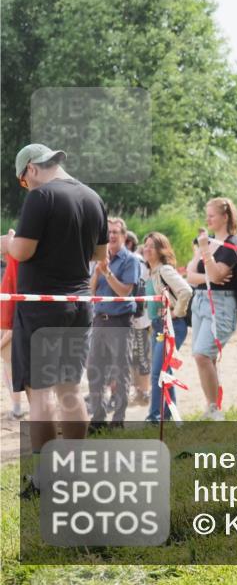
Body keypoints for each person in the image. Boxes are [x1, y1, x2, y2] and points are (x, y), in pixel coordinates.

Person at [4, 144, 107, 477]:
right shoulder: (93, 197)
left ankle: (45, 474)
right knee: (70, 388)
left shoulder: (41, 196)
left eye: (23, 181)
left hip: (42, 307)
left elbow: (22, 250)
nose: (26, 187)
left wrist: (7, 243)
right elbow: (99, 255)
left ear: (32, 169)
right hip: (80, 304)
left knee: (40, 392)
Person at [186, 198, 237, 420]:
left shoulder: (233, 243)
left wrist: (205, 253)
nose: (207, 219)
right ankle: (212, 407)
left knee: (202, 354)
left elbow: (219, 275)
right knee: (204, 357)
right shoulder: (205, 240)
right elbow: (190, 276)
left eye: (212, 215)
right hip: (200, 301)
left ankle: (214, 408)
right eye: (207, 215)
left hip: (222, 303)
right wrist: (208, 276)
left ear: (225, 217)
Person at [86, 217, 141, 430]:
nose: (111, 236)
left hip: (120, 322)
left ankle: (118, 420)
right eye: (108, 232)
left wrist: (107, 272)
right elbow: (90, 292)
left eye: (116, 232)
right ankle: (98, 418)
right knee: (94, 370)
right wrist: (98, 272)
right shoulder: (100, 259)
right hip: (99, 320)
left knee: (120, 371)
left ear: (124, 236)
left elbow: (124, 292)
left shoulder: (130, 260)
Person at [143, 232, 192, 423]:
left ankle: (154, 417)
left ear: (160, 250)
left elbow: (186, 291)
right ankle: (171, 413)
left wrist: (176, 312)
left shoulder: (164, 270)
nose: (147, 249)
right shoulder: (151, 272)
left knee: (158, 372)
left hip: (172, 326)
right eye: (146, 245)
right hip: (157, 327)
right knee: (164, 372)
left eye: (152, 246)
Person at [124, 230, 152, 407]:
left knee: (141, 355)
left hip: (139, 318)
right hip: (130, 317)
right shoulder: (128, 260)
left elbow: (140, 288)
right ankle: (138, 391)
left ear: (128, 243)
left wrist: (137, 312)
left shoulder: (137, 261)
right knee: (132, 356)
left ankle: (144, 391)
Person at [0, 248, 26, 419]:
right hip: (7, 331)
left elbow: (12, 323)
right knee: (7, 371)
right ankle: (16, 407)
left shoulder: (12, 276)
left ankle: (17, 408)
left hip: (11, 332)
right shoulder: (8, 274)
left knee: (11, 371)